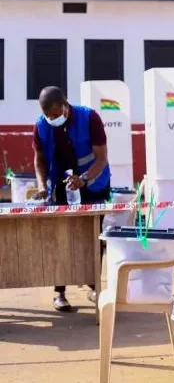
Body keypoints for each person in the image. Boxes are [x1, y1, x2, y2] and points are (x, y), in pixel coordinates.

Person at [32, 86, 111, 312]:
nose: (52, 119)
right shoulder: (41, 126)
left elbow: (102, 157)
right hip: (59, 185)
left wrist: (84, 179)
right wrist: (41, 186)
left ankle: (94, 285)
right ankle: (60, 293)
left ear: (66, 105)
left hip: (92, 184)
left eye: (56, 114)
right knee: (60, 238)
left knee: (93, 236)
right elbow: (39, 160)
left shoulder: (90, 118)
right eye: (49, 115)